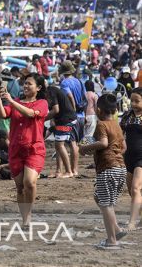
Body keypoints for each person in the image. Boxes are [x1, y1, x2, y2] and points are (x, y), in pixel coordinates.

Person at [0, 73, 48, 227]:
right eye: (24, 83)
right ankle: (24, 217)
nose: (25, 86)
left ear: (38, 88)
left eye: (29, 84)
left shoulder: (42, 103)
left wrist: (11, 100)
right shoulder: (17, 102)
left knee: (29, 183)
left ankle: (29, 214)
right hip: (16, 149)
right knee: (19, 187)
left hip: (34, 148)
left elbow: (31, 114)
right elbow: (2, 114)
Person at [80, 94, 128, 249]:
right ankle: (117, 229)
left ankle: (112, 240)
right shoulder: (116, 124)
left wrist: (85, 148)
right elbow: (123, 147)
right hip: (120, 169)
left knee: (106, 204)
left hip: (108, 168)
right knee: (100, 198)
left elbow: (103, 143)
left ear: (98, 110)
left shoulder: (101, 125)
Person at [120, 87, 142, 231]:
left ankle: (132, 222)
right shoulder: (127, 115)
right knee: (132, 190)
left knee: (136, 188)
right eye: (132, 100)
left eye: (137, 101)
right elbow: (120, 133)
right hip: (128, 157)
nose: (133, 104)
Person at [47, 84, 79, 178]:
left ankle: (69, 171)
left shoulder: (51, 91)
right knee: (64, 145)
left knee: (60, 145)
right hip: (67, 118)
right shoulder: (53, 90)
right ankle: (61, 171)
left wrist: (44, 120)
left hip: (66, 120)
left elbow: (56, 109)